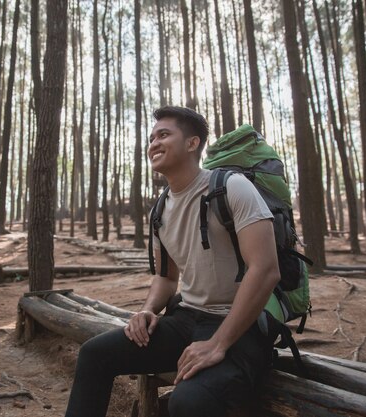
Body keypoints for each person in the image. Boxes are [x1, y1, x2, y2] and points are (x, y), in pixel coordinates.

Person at [65, 106, 281, 417]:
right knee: (94, 354)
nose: (153, 143)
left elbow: (265, 269)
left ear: (193, 143)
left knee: (188, 402)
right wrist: (148, 309)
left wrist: (218, 343)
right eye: (151, 138)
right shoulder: (160, 210)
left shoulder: (230, 187)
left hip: (239, 326)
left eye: (163, 135)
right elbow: (166, 278)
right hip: (185, 320)